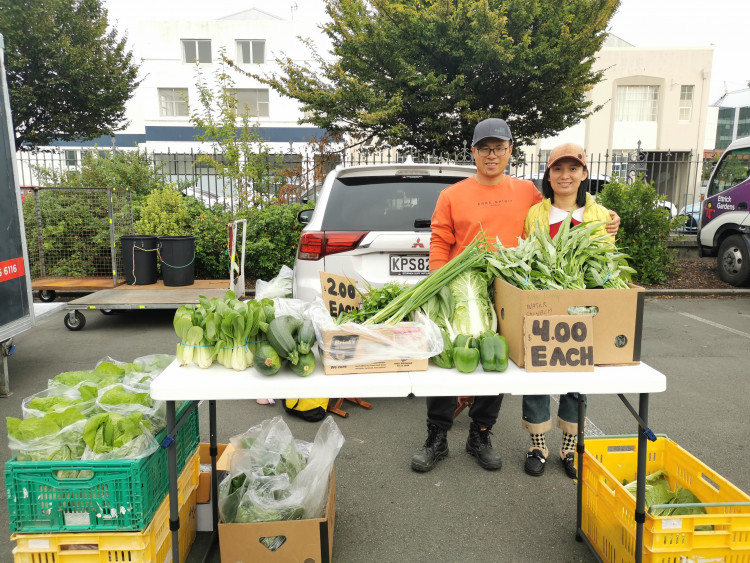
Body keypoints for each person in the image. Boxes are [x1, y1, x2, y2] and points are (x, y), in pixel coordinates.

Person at [412, 122, 619, 474]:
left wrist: (609, 217)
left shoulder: (526, 193)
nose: (492, 155)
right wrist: (438, 282)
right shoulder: (452, 194)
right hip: (461, 290)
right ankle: (437, 435)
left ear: (510, 151)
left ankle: (480, 433)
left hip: (507, 290)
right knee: (446, 361)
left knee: (496, 365)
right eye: (484, 148)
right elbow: (439, 238)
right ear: (473, 152)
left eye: (499, 148)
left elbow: (565, 207)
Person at [521, 142, 614, 479]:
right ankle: (537, 446)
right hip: (542, 306)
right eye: (558, 169)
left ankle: (569, 447)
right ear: (548, 174)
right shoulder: (537, 213)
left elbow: (605, 266)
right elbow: (528, 258)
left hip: (583, 308)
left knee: (577, 378)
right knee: (538, 376)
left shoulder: (600, 215)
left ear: (584, 174)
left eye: (573, 168)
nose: (565, 175)